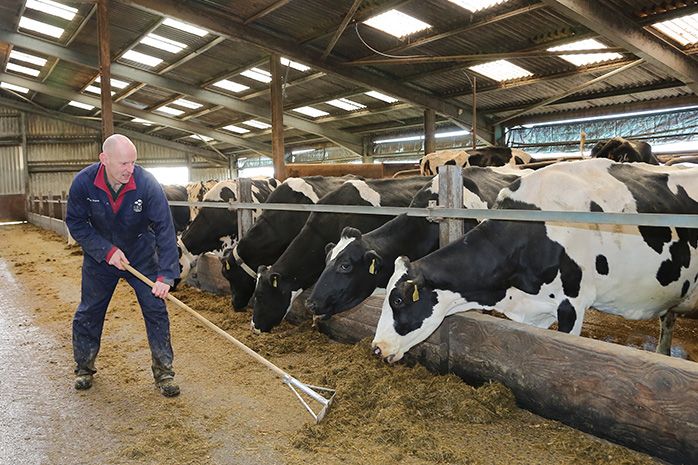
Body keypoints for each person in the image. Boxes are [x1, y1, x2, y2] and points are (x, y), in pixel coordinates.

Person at [66, 134, 180, 397]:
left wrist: (166, 275)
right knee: (90, 310)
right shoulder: (84, 183)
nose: (130, 169)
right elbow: (76, 223)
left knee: (155, 309)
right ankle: (84, 366)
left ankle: (164, 370)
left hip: (140, 253)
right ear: (104, 159)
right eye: (123, 164)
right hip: (100, 257)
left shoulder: (146, 183)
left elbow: (164, 228)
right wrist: (106, 250)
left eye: (133, 163)